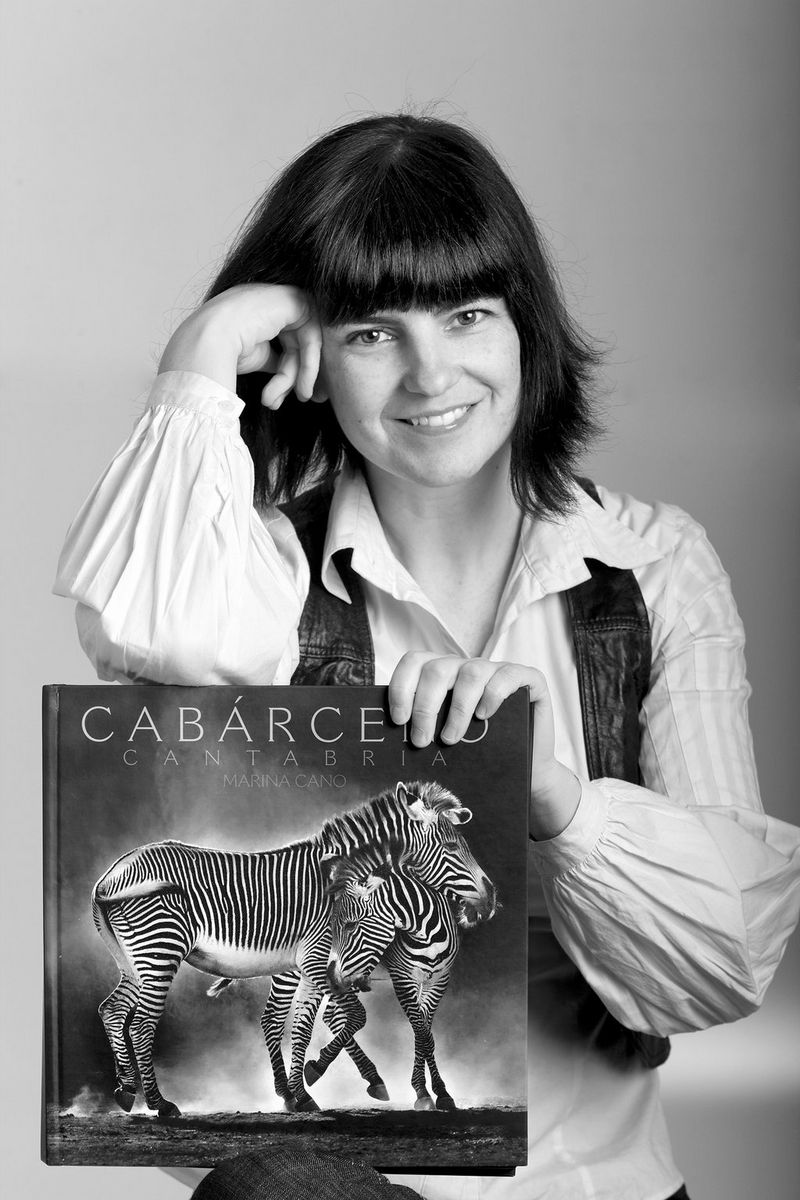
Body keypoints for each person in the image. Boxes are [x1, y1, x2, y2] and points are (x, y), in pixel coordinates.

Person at [54, 114, 800, 1200]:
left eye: (467, 315)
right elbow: (148, 629)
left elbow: (727, 964)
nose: (428, 374)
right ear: (309, 360)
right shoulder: (271, 581)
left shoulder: (650, 569)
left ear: (524, 327)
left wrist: (550, 793)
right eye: (370, 332)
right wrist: (204, 351)